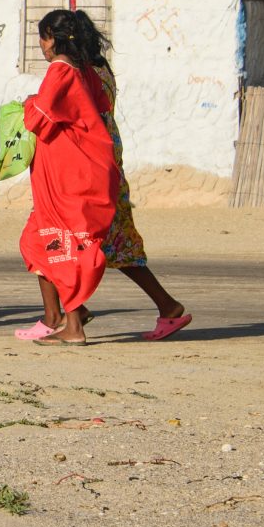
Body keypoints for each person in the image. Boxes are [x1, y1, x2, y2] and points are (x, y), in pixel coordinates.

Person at [14, 9, 119, 344]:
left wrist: (28, 103)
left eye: (42, 39)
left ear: (53, 37)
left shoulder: (60, 70)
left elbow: (39, 117)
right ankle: (70, 312)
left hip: (68, 177)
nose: (41, 47)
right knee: (38, 242)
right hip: (79, 170)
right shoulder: (85, 70)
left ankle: (73, 325)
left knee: (61, 245)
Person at [75, 58, 191, 341]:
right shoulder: (100, 69)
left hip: (92, 171)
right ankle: (72, 310)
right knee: (111, 245)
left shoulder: (80, 73)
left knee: (58, 241)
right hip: (106, 166)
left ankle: (68, 313)